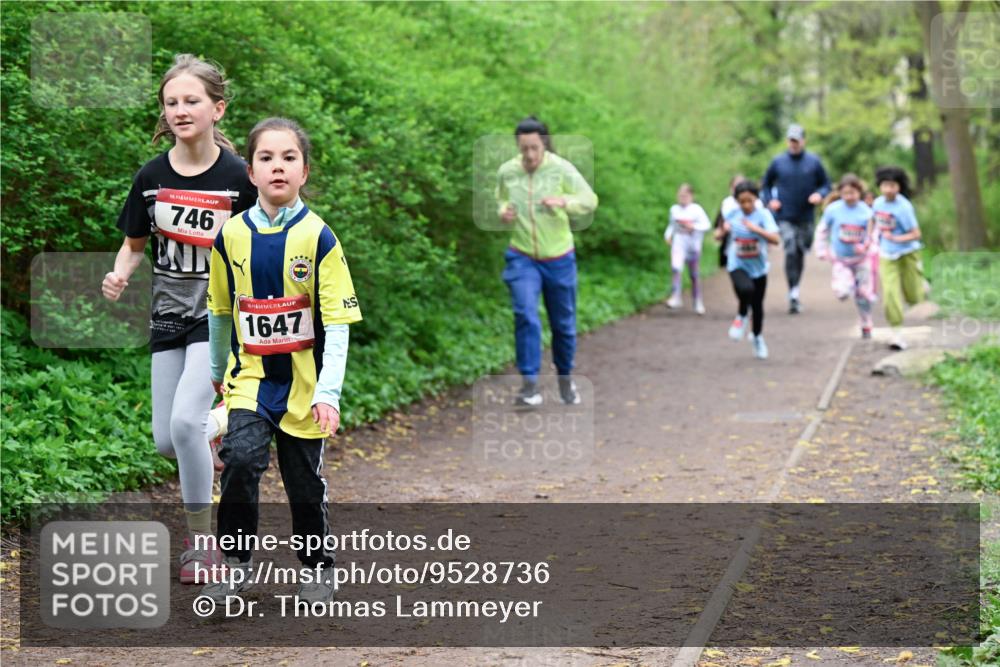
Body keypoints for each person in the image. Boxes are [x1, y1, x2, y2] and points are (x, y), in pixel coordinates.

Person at [101, 54, 256, 583]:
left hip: (219, 317)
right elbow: (133, 245)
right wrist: (120, 274)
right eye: (172, 102)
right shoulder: (152, 176)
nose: (180, 110)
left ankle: (202, 543)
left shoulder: (239, 178)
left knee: (184, 424)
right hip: (167, 314)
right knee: (168, 439)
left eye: (192, 101)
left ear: (218, 108)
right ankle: (216, 429)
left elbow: (267, 244)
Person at [203, 118, 362, 603]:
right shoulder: (230, 236)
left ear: (304, 172)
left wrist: (329, 393)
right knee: (240, 461)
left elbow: (336, 324)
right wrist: (215, 376)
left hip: (305, 387)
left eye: (288, 158)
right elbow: (220, 312)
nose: (278, 166)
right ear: (250, 172)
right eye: (266, 158)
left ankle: (316, 567)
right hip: (249, 380)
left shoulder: (320, 239)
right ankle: (234, 564)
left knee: (303, 484)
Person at [495, 116, 598, 406]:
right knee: (525, 314)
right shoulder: (508, 172)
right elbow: (499, 198)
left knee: (563, 324)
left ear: (544, 145)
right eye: (524, 148)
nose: (529, 155)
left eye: (534, 148)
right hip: (522, 256)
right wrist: (504, 211)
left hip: (559, 258)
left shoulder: (561, 169)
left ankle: (565, 379)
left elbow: (589, 200)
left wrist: (564, 202)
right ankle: (529, 384)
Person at [760, 124, 832, 314]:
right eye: (790, 140)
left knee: (800, 251)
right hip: (784, 215)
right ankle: (792, 293)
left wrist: (819, 194)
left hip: (806, 216)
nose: (793, 144)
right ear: (787, 141)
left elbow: (826, 184)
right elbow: (765, 186)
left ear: (803, 141)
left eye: (797, 140)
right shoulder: (778, 162)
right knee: (790, 249)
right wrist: (770, 200)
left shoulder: (814, 162)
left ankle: (795, 288)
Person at [715, 181, 780, 359]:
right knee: (746, 290)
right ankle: (742, 315)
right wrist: (722, 231)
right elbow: (717, 235)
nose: (746, 205)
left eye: (749, 201)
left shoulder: (764, 215)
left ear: (756, 199)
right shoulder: (731, 214)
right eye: (742, 201)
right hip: (737, 263)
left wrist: (755, 229)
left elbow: (775, 239)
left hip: (758, 267)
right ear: (736, 201)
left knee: (758, 306)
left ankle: (757, 338)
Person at [815, 174, 877, 338]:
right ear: (840, 193)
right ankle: (847, 286)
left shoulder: (866, 211)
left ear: (859, 192)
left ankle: (866, 322)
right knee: (842, 291)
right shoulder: (833, 210)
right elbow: (822, 230)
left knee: (863, 294)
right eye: (846, 193)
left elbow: (873, 234)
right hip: (841, 259)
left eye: (853, 193)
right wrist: (821, 249)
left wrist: (867, 245)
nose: (849, 197)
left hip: (862, 259)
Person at [871, 166, 924, 350]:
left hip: (908, 253)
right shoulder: (877, 204)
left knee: (914, 296)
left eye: (892, 185)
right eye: (885, 185)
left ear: (898, 187)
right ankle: (896, 333)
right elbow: (874, 221)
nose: (888, 189)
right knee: (890, 294)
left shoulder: (904, 207)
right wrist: (872, 240)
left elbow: (916, 234)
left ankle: (921, 284)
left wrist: (897, 238)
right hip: (887, 254)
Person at [664, 184, 711, 314]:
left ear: (691, 196)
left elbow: (706, 225)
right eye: (680, 195)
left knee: (694, 275)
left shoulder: (697, 210)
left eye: (685, 195)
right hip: (679, 243)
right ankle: (676, 296)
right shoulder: (674, 210)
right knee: (676, 268)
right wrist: (667, 235)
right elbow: (672, 225)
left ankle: (697, 301)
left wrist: (693, 226)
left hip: (693, 246)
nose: (682, 198)